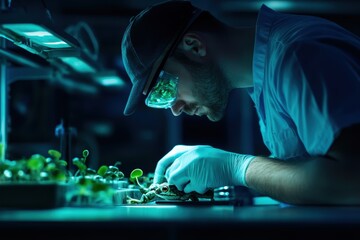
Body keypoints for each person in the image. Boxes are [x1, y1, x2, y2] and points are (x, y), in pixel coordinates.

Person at [121, 0, 360, 205]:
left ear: (194, 46)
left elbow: (351, 179)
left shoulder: (297, 56)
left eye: (165, 88)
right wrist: (220, 175)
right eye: (158, 100)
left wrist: (235, 167)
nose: (175, 109)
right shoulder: (265, 77)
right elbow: (307, 168)